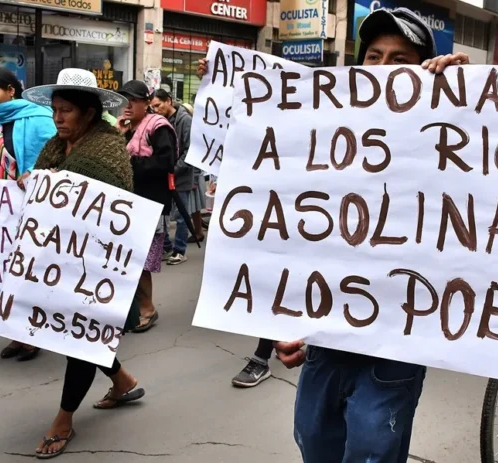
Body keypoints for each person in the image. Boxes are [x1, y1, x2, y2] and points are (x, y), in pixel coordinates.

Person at [197, 7, 469, 461]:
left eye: (400, 60)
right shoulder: (326, 129)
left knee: (372, 451)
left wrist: (466, 94)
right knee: (314, 441)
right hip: (328, 336)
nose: (383, 68)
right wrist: (225, 89)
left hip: (396, 342)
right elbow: (290, 229)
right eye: (374, 56)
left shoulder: (443, 129)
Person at [22, 68, 145, 459]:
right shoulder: (56, 147)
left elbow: (113, 206)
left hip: (96, 266)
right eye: (55, 109)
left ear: (89, 112)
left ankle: (63, 420)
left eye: (67, 110)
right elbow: (41, 189)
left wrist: (57, 184)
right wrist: (32, 181)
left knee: (82, 337)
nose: (58, 118)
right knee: (80, 331)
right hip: (59, 260)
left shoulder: (107, 149)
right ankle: (123, 381)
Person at [0, 67, 56, 361]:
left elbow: (54, 155)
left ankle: (31, 334)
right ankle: (15, 334)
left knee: (26, 272)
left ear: (10, 90)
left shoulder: (39, 118)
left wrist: (33, 172)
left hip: (26, 210)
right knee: (6, 273)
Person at [117, 80, 177, 332]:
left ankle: (147, 309)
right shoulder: (125, 128)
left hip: (151, 203)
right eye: (125, 100)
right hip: (128, 203)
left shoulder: (158, 127)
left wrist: (130, 163)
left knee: (139, 260)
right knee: (127, 259)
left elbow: (167, 163)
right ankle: (134, 308)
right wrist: (119, 136)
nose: (128, 105)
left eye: (134, 100)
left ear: (146, 103)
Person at [150, 88, 200, 265]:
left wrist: (174, 169)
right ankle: (166, 247)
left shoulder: (185, 120)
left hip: (181, 176)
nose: (156, 109)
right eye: (153, 107)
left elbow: (190, 150)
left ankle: (179, 250)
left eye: (158, 105)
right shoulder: (159, 121)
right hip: (164, 175)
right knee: (163, 213)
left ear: (168, 101)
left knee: (181, 215)